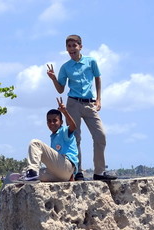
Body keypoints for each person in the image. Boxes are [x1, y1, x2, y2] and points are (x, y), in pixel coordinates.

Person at [47, 34, 117, 181]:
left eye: (74, 46)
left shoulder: (91, 62)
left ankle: (99, 173)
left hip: (90, 103)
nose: (72, 49)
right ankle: (77, 172)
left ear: (80, 46)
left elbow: (98, 78)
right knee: (75, 138)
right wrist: (53, 78)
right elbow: (60, 89)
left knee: (100, 135)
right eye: (69, 46)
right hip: (73, 103)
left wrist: (99, 99)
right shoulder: (65, 67)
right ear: (66, 48)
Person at [14, 98, 79, 182]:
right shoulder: (53, 137)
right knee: (33, 172)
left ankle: (30, 174)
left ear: (61, 122)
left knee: (35, 143)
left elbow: (73, 126)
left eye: (55, 120)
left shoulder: (64, 131)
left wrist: (65, 112)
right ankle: (25, 176)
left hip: (67, 166)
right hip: (62, 175)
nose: (52, 123)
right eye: (49, 121)